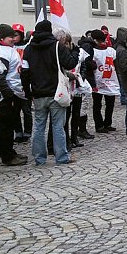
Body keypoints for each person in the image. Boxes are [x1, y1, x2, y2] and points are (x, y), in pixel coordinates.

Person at [21, 20, 79, 166]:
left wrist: (28, 92)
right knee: (58, 126)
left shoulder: (28, 49)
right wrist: (75, 52)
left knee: (39, 126)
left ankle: (39, 158)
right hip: (56, 92)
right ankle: (61, 157)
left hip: (38, 93)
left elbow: (25, 72)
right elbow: (70, 63)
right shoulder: (56, 46)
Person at [0, 24, 28, 166]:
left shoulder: (8, 49)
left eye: (14, 36)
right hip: (6, 94)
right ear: (1, 38)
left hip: (13, 92)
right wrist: (8, 95)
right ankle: (6, 155)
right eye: (10, 37)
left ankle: (9, 151)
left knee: (10, 125)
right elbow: (0, 75)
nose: (13, 39)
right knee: (5, 127)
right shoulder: (1, 52)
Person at [90, 30, 120, 133]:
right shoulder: (93, 51)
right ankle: (99, 125)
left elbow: (115, 62)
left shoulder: (111, 50)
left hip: (109, 80)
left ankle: (107, 123)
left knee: (108, 104)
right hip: (98, 81)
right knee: (98, 104)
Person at [11, 23, 32, 143]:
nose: (14, 38)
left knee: (27, 110)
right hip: (14, 82)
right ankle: (18, 131)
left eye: (16, 35)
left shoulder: (27, 47)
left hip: (24, 82)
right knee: (15, 111)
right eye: (13, 35)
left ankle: (27, 132)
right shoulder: (11, 48)